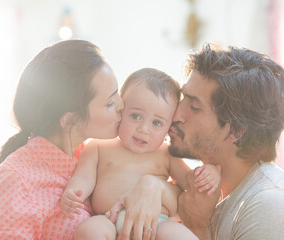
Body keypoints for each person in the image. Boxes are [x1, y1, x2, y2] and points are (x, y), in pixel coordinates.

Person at [166, 43, 284, 239]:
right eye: (183, 98)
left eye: (194, 106)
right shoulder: (199, 192)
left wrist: (198, 229)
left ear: (237, 131)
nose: (175, 114)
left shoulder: (275, 208)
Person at [0, 39, 127, 239]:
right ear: (69, 120)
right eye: (110, 103)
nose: (122, 105)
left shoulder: (93, 156)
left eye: (118, 93)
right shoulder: (15, 180)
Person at [60, 68, 221, 240]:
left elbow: (189, 183)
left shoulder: (166, 154)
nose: (144, 129)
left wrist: (209, 174)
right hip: (109, 219)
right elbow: (84, 177)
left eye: (157, 122)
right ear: (120, 109)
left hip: (156, 224)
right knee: (88, 231)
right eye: (136, 116)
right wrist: (73, 193)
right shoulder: (98, 146)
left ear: (169, 129)